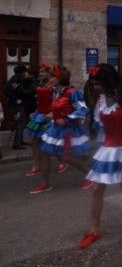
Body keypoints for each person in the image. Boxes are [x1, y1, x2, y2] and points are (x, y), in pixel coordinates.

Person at [80, 64, 122, 249]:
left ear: (109, 81)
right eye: (93, 84)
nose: (95, 87)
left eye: (98, 83)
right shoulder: (101, 101)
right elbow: (102, 126)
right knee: (96, 190)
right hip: (108, 150)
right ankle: (93, 230)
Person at [30, 66, 91, 194]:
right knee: (45, 152)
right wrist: (51, 115)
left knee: (66, 156)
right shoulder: (56, 91)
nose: (50, 79)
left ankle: (90, 175)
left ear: (60, 78)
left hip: (69, 129)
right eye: (51, 76)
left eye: (53, 77)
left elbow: (84, 110)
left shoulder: (72, 92)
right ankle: (45, 183)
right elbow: (57, 108)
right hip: (56, 128)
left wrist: (66, 118)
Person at [25, 63, 67, 177]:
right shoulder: (41, 83)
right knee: (34, 140)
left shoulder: (53, 86)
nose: (40, 73)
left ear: (49, 74)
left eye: (43, 72)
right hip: (40, 114)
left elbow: (57, 101)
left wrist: (53, 114)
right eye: (40, 72)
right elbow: (40, 100)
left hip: (49, 116)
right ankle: (38, 165)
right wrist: (35, 111)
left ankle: (63, 161)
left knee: (50, 141)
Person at [5, 65, 30, 149]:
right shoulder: (15, 80)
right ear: (21, 72)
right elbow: (6, 91)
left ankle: (20, 141)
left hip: (19, 105)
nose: (26, 73)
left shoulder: (18, 79)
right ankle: (17, 143)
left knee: (22, 122)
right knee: (21, 122)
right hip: (16, 105)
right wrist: (16, 99)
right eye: (24, 71)